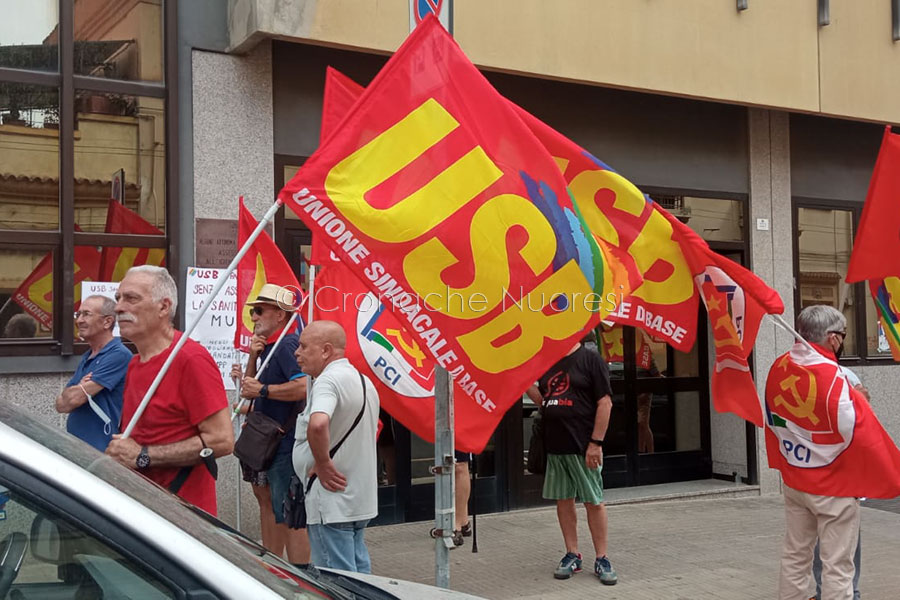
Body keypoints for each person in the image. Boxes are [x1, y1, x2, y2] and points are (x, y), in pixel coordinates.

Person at [106, 266, 234, 516]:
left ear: (164, 307)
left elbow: (222, 440)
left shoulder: (190, 359)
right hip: (143, 511)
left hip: (183, 520)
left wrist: (143, 456)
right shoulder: (134, 363)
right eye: (118, 298)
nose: (119, 307)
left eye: (131, 298)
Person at [777, 305, 859, 600]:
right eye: (843, 335)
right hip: (832, 482)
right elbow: (852, 429)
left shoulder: (779, 367)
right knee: (837, 564)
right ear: (833, 338)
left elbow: (773, 419)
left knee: (795, 556)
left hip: (795, 476)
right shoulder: (834, 375)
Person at [526, 339, 617, 585]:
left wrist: (596, 443)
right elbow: (545, 401)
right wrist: (525, 383)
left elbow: (605, 403)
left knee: (593, 501)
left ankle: (602, 558)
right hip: (556, 447)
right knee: (564, 500)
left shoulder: (590, 359)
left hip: (584, 446)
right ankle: (572, 553)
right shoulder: (546, 360)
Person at [231, 283, 309, 566]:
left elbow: (303, 386)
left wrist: (264, 391)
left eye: (259, 310)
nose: (254, 317)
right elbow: (248, 389)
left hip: (283, 442)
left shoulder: (288, 344)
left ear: (280, 315)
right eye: (253, 311)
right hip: (267, 440)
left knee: (288, 512)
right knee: (268, 503)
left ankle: (301, 575)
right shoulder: (270, 347)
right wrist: (253, 355)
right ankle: (273, 565)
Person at [293, 320, 379, 573]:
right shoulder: (363, 381)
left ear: (326, 350)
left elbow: (318, 423)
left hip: (332, 502)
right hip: (356, 498)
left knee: (337, 581)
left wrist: (322, 463)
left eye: (304, 346)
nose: (297, 353)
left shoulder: (328, 381)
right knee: (360, 578)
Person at [809, 366, 867, 600]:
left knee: (848, 544)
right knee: (820, 542)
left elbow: (863, 425)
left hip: (845, 480)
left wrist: (863, 402)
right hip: (819, 478)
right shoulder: (808, 376)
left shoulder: (847, 376)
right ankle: (825, 592)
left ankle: (851, 593)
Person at [55, 295, 132, 451]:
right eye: (78, 314)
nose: (79, 320)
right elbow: (61, 405)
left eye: (86, 314)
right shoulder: (88, 355)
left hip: (100, 451)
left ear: (107, 322)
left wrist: (78, 389)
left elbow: (74, 399)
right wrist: (79, 389)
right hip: (79, 448)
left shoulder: (118, 354)